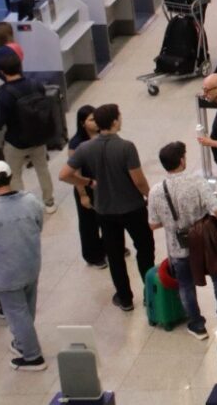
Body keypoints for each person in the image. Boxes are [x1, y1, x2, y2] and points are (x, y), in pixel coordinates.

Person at [61, 103, 155, 312]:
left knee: (114, 255)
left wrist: (86, 182)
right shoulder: (126, 147)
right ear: (114, 121)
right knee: (144, 249)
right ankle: (150, 294)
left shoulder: (85, 147)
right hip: (133, 208)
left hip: (104, 209)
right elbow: (138, 180)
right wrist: (151, 195)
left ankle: (125, 298)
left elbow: (64, 174)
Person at [147, 141, 217, 339]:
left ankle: (197, 324)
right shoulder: (197, 182)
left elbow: (152, 224)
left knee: (185, 285)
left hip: (178, 246)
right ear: (182, 160)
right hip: (203, 242)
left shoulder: (156, 191)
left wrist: (172, 224)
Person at [0, 160, 46, 369]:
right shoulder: (31, 200)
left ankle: (32, 356)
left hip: (5, 272)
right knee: (27, 308)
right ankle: (23, 342)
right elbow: (39, 224)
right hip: (31, 263)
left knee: (17, 313)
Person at [0, 51, 56, 212]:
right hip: (39, 137)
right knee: (42, 169)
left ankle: (23, 206)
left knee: (15, 175)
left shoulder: (2, 95)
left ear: (2, 72)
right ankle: (49, 202)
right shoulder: (36, 84)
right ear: (20, 67)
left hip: (15, 141)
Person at [64, 106, 106, 268]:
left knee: (107, 218)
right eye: (91, 120)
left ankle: (108, 246)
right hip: (86, 185)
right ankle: (93, 255)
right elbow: (74, 172)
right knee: (89, 223)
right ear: (82, 123)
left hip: (102, 183)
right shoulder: (76, 144)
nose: (95, 123)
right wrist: (83, 194)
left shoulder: (103, 135)